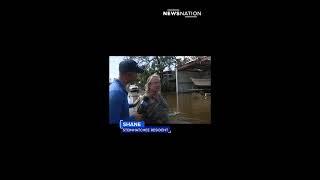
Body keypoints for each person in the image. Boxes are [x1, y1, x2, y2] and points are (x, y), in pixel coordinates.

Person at [109, 60, 144, 124]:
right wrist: (134, 118)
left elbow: (119, 106)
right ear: (129, 74)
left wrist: (133, 104)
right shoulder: (116, 93)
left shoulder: (119, 88)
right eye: (136, 73)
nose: (137, 76)